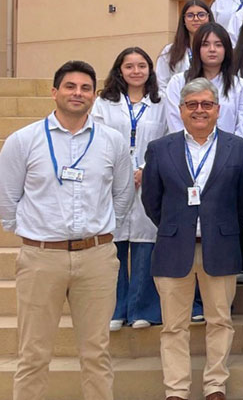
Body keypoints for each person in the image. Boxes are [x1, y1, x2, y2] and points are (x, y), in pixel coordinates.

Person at [0, 61, 133, 400]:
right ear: (55, 92)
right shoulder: (24, 140)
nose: (77, 94)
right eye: (70, 86)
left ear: (94, 96)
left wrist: (100, 234)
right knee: (33, 354)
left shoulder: (112, 141)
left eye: (85, 88)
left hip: (97, 258)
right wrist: (34, 235)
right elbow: (4, 199)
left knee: (96, 353)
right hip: (42, 258)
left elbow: (123, 195)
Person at [142, 77, 243, 400]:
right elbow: (152, 199)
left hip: (220, 246)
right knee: (173, 326)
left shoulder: (240, 148)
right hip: (173, 246)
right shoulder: (161, 149)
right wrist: (177, 226)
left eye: (207, 104)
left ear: (218, 110)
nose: (200, 110)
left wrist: (220, 226)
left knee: (220, 320)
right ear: (180, 110)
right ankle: (176, 389)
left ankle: (215, 385)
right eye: (192, 105)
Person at [94, 47, 167, 332]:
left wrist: (145, 170)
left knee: (145, 243)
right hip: (113, 178)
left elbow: (166, 138)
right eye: (129, 66)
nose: (136, 71)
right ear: (119, 70)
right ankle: (115, 309)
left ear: (150, 70)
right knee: (114, 245)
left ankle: (142, 309)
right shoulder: (105, 102)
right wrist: (123, 171)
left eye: (141, 66)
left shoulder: (161, 102)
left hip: (149, 177)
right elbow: (99, 138)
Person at [164, 22, 243, 142]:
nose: (212, 50)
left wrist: (231, 152)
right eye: (205, 44)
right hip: (187, 152)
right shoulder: (178, 82)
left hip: (229, 155)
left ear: (226, 49)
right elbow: (175, 122)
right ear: (197, 48)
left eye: (218, 45)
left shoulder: (239, 85)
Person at [155, 0, 213, 91]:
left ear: (209, 18)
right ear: (184, 20)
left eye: (201, 15)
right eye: (190, 15)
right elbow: (161, 83)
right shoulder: (170, 51)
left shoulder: (217, 48)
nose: (196, 19)